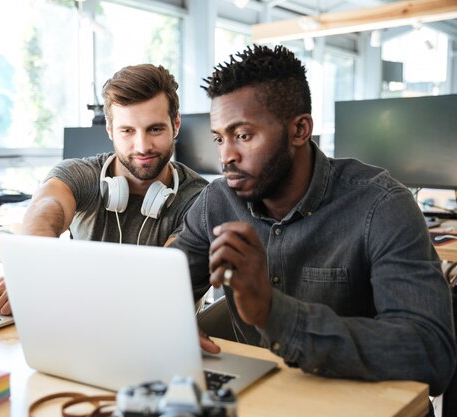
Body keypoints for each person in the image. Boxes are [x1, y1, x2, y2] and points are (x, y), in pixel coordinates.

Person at [170, 44, 456, 396]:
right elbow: (165, 287)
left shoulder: (382, 206)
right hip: (263, 397)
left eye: (243, 135)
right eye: (219, 138)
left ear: (300, 129)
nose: (226, 156)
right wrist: (166, 326)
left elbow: (431, 355)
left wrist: (274, 313)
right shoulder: (217, 200)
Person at [0, 63, 208, 315]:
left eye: (155, 129)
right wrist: (29, 270)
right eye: (127, 131)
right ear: (110, 130)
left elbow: (161, 282)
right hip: (80, 322)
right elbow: (45, 208)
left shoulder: (200, 198)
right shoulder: (81, 174)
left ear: (175, 125)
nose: (142, 146)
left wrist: (55, 281)